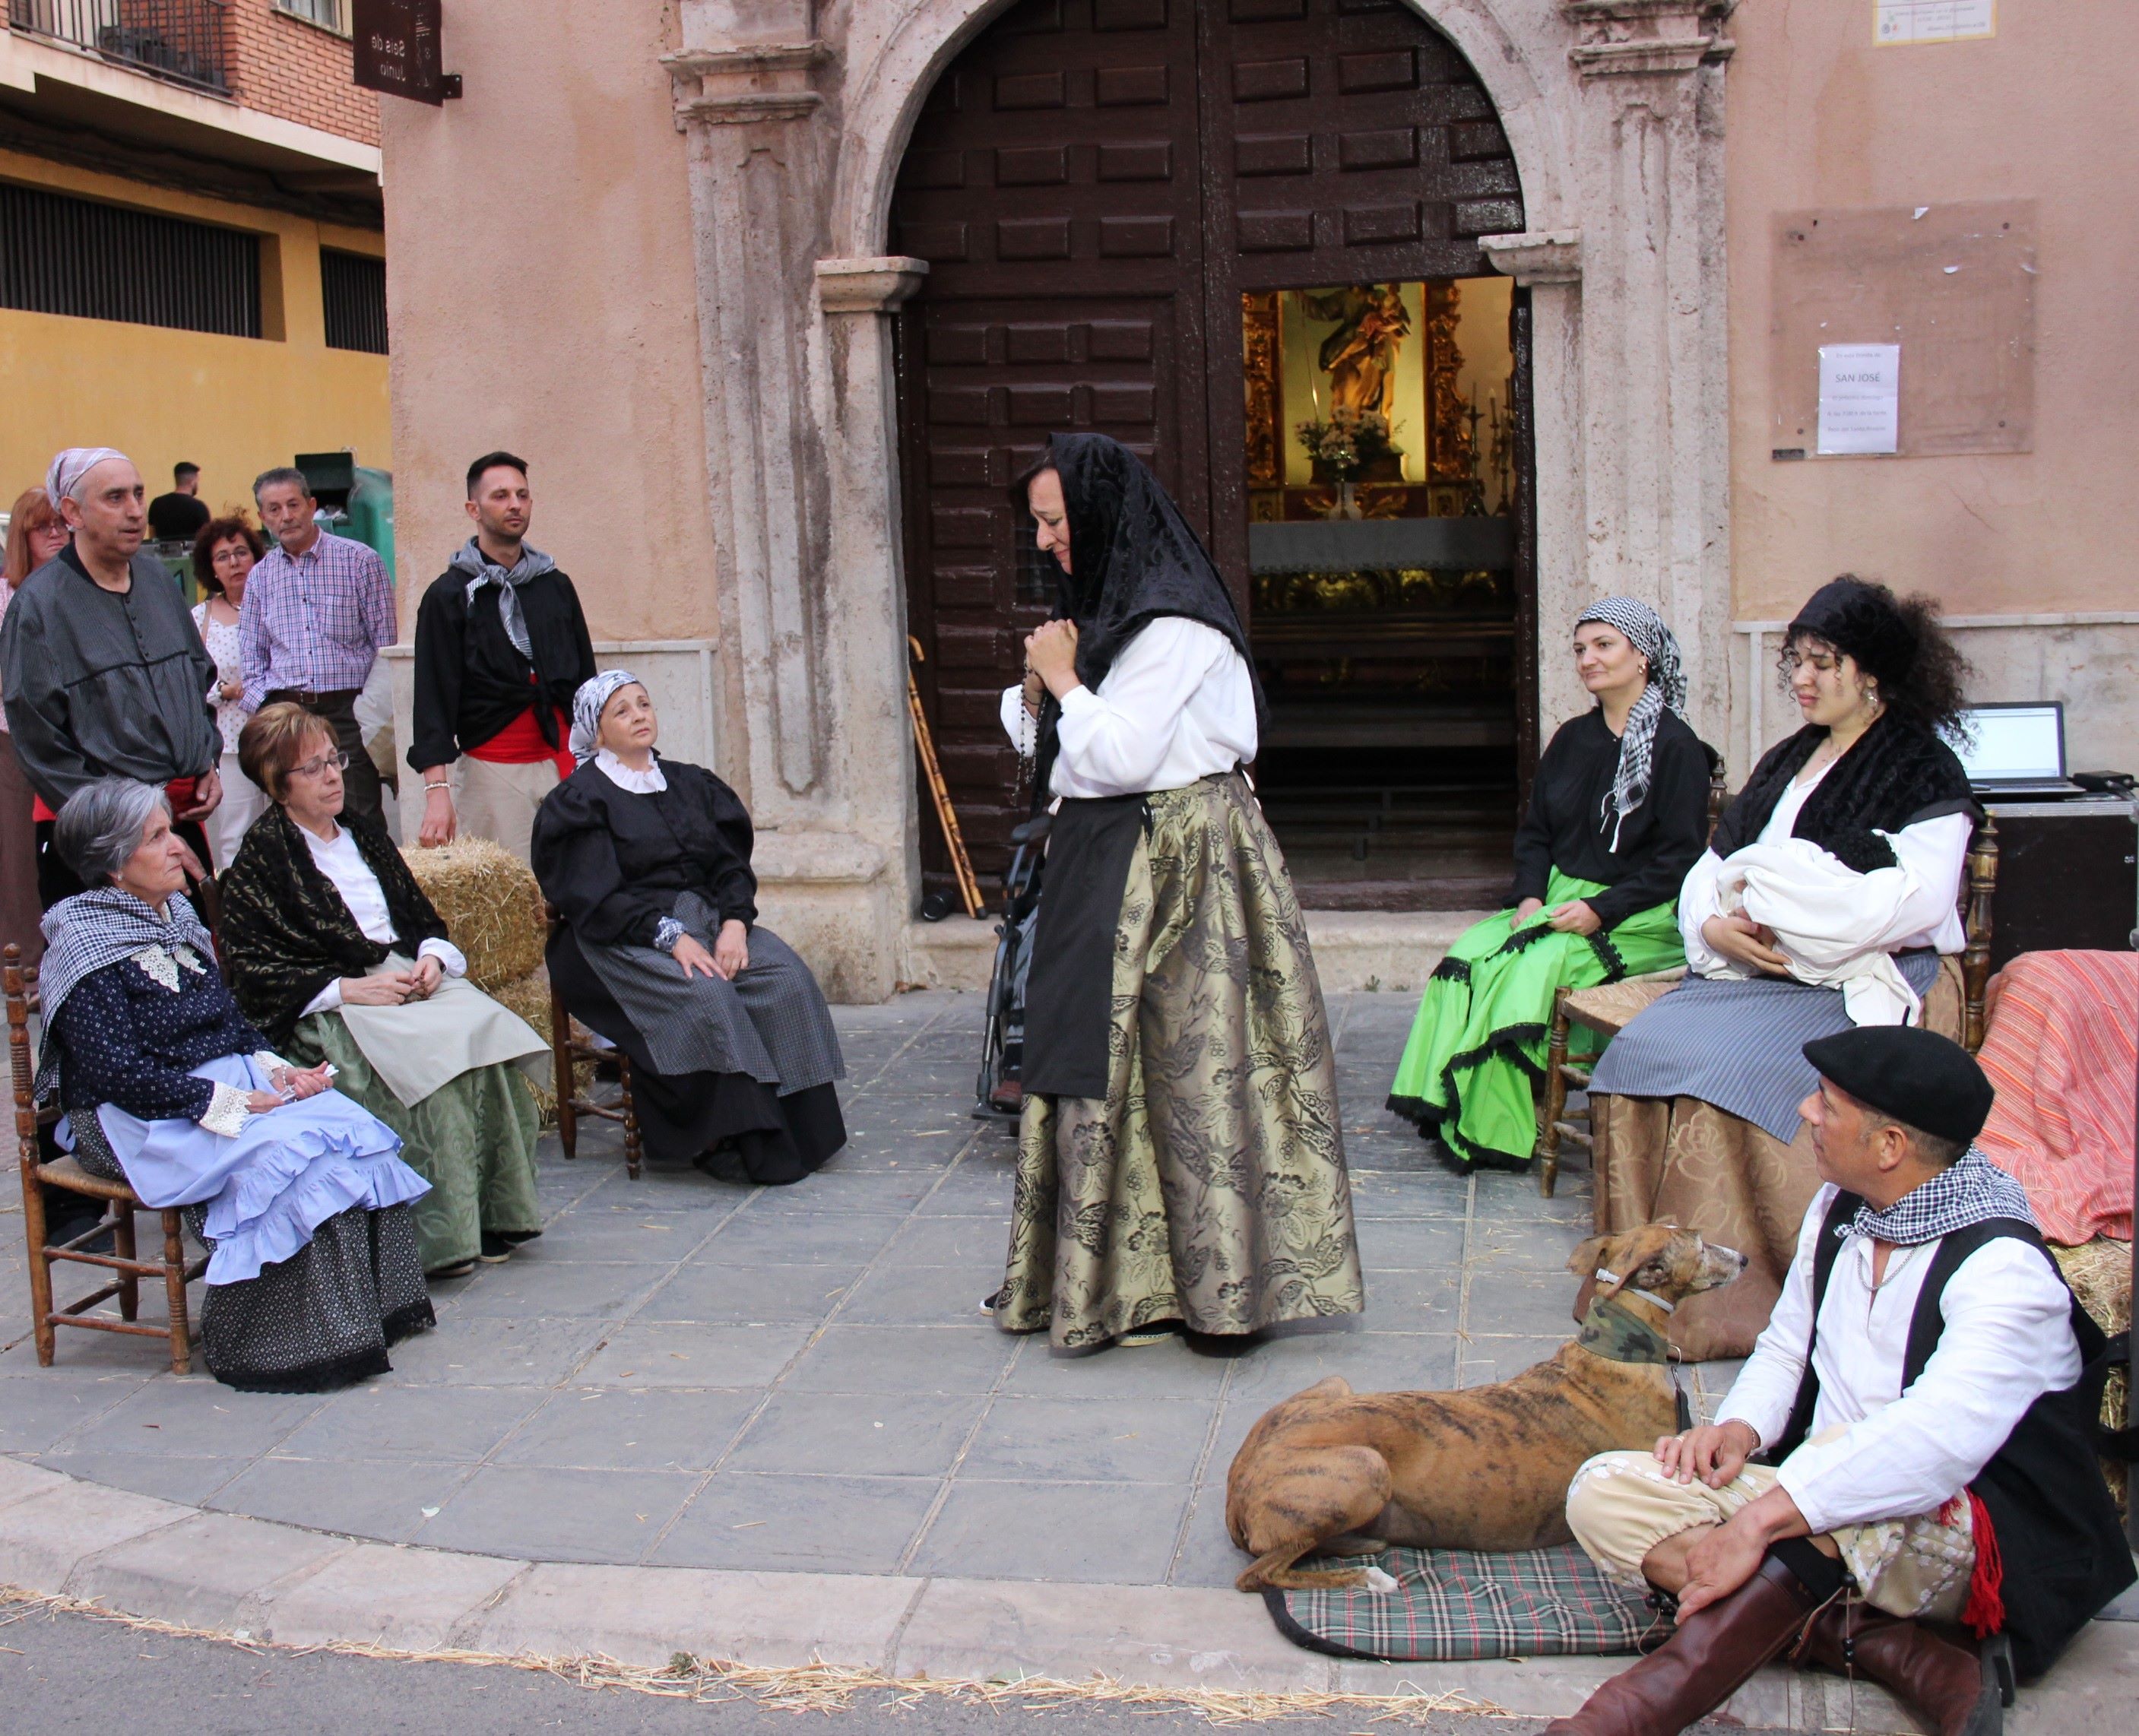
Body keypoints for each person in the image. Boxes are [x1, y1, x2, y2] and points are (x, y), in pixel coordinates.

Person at [1552, 1025, 2132, 1736]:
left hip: (1965, 1523)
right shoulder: (1844, 1209)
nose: (1806, 1111)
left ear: (1889, 1147)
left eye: (1827, 1104)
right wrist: (1740, 1428)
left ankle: (1614, 1721)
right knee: (1602, 1495)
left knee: (1832, 1526)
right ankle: (1890, 1647)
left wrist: (1767, 1517)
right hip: (1826, 1488)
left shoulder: (2002, 1269)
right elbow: (1789, 1346)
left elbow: (1926, 1448)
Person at [990, 432, 1363, 1351]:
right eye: (1039, 524)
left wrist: (1065, 681)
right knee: (1105, 1072)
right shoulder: (1112, 616)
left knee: (1191, 1073)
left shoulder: (1176, 626)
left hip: (1183, 861)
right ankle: (1120, 1281)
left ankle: (1219, 1293)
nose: (1044, 542)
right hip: (1111, 859)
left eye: (1054, 521)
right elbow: (1063, 748)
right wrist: (1052, 691)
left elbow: (1118, 755)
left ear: (1104, 515)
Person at [1583, 578, 1977, 1359]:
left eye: (1821, 662)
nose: (1801, 677)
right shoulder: (1789, 758)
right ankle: (1636, 1285)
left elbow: (1914, 901)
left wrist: (1786, 925)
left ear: (1871, 671)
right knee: (1639, 1053)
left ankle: (1735, 1303)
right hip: (1756, 972)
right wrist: (1717, 927)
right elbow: (1712, 867)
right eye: (1796, 660)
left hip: (1865, 975)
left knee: (1717, 1071)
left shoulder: (1920, 768)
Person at [36, 778, 435, 1392]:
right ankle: (273, 1346)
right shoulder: (85, 942)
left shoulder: (176, 914)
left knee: (347, 1128)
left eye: (171, 830)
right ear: (115, 865)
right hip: (136, 1116)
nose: (178, 847)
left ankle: (359, 1322)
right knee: (285, 1158)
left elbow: (229, 1019)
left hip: (214, 1085)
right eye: (158, 837)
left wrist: (280, 1071)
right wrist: (228, 1102)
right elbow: (117, 1073)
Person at [218, 702, 550, 1278]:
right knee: (435, 1073)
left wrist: (430, 958)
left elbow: (423, 921)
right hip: (335, 999)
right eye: (312, 768)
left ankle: (498, 1214)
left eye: (334, 760)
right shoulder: (261, 860)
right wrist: (347, 990)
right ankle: (441, 1241)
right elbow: (253, 973)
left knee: (487, 1039)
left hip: (402, 979)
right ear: (277, 785)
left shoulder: (364, 837)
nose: (331, 776)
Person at [1386, 600, 1713, 1172]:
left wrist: (1600, 909)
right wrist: (1532, 895)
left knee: (1528, 969)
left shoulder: (1678, 748)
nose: (1588, 659)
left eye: (1604, 646)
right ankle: (1463, 1113)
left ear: (1643, 656)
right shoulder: (1571, 739)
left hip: (1641, 914)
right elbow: (1535, 833)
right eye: (1580, 649)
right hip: (1560, 899)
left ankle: (1507, 1124)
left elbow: (1680, 861)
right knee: (1468, 954)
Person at [534, 672, 845, 1181]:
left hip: (705, 919)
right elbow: (593, 895)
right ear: (595, 733)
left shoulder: (690, 782)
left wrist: (735, 925)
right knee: (708, 995)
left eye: (644, 703)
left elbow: (728, 867)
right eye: (622, 711)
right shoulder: (579, 800)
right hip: (616, 936)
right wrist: (670, 937)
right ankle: (732, 1140)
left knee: (785, 978)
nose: (639, 716)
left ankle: (802, 1131)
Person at [0, 448, 222, 908]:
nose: (136, 511)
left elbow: (198, 679)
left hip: (179, 824)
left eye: (138, 494)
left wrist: (208, 762)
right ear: (73, 512)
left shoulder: (159, 581)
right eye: (115, 497)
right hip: (96, 844)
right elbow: (40, 741)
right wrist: (125, 826)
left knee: (197, 967)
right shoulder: (38, 607)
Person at [410, 451, 596, 862]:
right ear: (473, 509)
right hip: (493, 771)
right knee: (513, 898)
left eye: (522, 494)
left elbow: (587, 682)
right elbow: (433, 699)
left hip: (564, 762)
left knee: (579, 891)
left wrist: (597, 764)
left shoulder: (556, 585)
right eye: (500, 496)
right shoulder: (448, 595)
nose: (515, 504)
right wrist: (437, 793)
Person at [239, 466, 395, 831]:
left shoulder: (360, 562)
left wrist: (365, 710)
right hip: (288, 713)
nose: (286, 516)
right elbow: (252, 661)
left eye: (293, 504)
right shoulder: (260, 578)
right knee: (298, 821)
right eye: (274, 509)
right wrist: (271, 713)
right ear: (263, 517)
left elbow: (385, 649)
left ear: (312, 506)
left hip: (349, 712)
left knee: (361, 817)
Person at [1, 486, 68, 961]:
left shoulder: (77, 586)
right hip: (16, 737)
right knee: (20, 852)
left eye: (61, 524)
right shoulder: (6, 594)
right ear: (22, 536)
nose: (54, 533)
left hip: (78, 735)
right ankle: (26, 956)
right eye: (42, 526)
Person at [189, 515, 273, 870]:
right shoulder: (199, 618)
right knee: (237, 837)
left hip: (277, 736)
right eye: (223, 556)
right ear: (211, 569)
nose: (234, 562)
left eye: (241, 552)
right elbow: (188, 685)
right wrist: (226, 691)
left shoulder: (277, 606)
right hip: (231, 745)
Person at [146, 461, 211, 545]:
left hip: (162, 556)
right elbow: (206, 540)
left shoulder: (156, 504)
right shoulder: (199, 507)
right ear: (193, 482)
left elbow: (153, 538)